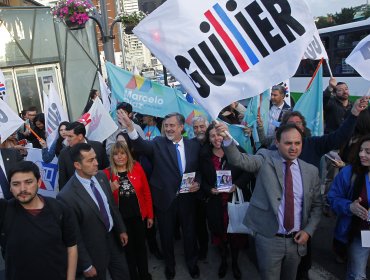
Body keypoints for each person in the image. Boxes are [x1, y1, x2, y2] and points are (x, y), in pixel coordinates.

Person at [216, 122, 322, 280]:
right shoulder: (265, 158)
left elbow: (317, 206)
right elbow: (239, 160)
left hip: (297, 241)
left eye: (297, 143)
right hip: (269, 239)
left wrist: (308, 231)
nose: (293, 147)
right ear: (277, 143)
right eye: (288, 143)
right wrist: (227, 140)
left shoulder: (311, 171)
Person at [119, 111, 201, 280]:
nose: (168, 129)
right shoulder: (157, 143)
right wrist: (130, 127)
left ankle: (192, 264)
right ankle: (170, 267)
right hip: (165, 199)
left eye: (172, 126)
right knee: (166, 234)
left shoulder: (193, 145)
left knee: (189, 233)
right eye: (166, 126)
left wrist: (198, 182)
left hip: (187, 198)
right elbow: (141, 145)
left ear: (181, 127)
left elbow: (197, 169)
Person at [57, 143, 130, 280]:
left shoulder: (101, 176)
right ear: (77, 165)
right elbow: (74, 235)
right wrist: (86, 264)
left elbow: (111, 206)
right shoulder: (66, 196)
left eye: (95, 158)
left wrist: (121, 229)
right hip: (93, 251)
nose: (96, 163)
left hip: (114, 241)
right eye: (90, 160)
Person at [1, 161, 77, 280]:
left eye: (28, 182)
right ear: (10, 187)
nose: (22, 189)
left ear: (39, 182)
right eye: (16, 184)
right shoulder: (4, 211)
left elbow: (71, 247)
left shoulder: (59, 208)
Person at [200, 123, 253, 279]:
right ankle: (224, 260)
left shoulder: (236, 151)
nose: (217, 138)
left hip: (233, 200)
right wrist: (209, 189)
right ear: (209, 139)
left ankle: (235, 263)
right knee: (219, 233)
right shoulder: (204, 155)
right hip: (215, 203)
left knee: (234, 234)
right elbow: (200, 178)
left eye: (219, 134)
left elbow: (249, 171)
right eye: (213, 135)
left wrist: (237, 185)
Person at [103, 141, 153, 280]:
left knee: (141, 248)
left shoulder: (137, 167)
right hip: (121, 221)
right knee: (127, 251)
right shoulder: (107, 174)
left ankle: (144, 275)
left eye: (123, 153)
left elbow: (146, 192)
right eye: (116, 154)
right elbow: (103, 202)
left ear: (128, 154)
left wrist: (150, 215)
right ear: (111, 157)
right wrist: (110, 190)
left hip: (138, 217)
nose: (120, 157)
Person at [327, 135, 370, 280]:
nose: (361, 154)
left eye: (368, 152)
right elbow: (332, 198)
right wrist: (349, 207)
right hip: (360, 234)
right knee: (357, 274)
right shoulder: (349, 173)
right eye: (361, 150)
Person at [58, 121, 109, 189]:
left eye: (70, 136)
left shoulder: (98, 147)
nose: (67, 139)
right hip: (77, 195)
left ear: (80, 136)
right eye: (67, 136)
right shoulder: (63, 154)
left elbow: (106, 169)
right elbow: (63, 180)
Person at [191, 115, 210, 260]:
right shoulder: (190, 144)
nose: (199, 130)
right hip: (198, 191)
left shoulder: (215, 141)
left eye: (201, 126)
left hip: (215, 191)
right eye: (196, 127)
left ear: (208, 127)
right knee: (199, 223)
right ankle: (202, 249)